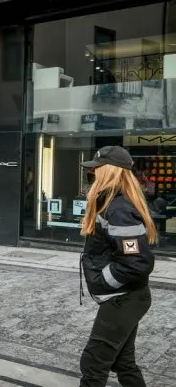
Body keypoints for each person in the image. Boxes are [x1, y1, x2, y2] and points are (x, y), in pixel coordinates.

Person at [79, 146, 156, 387]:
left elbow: (137, 262)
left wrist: (103, 281)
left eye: (96, 170)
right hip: (127, 297)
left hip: (124, 299)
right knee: (124, 363)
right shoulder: (111, 203)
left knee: (94, 363)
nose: (92, 175)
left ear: (109, 172)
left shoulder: (119, 209)